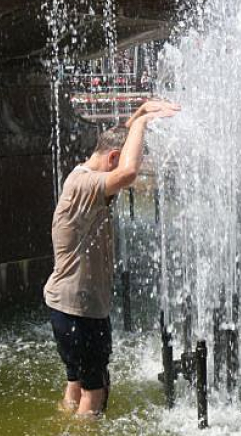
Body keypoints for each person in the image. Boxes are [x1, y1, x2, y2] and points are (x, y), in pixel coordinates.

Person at [44, 99, 179, 418]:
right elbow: (129, 171)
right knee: (95, 391)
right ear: (113, 157)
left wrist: (142, 111)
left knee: (75, 382)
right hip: (80, 310)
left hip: (67, 306)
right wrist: (144, 123)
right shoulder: (86, 185)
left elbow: (121, 149)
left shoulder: (81, 178)